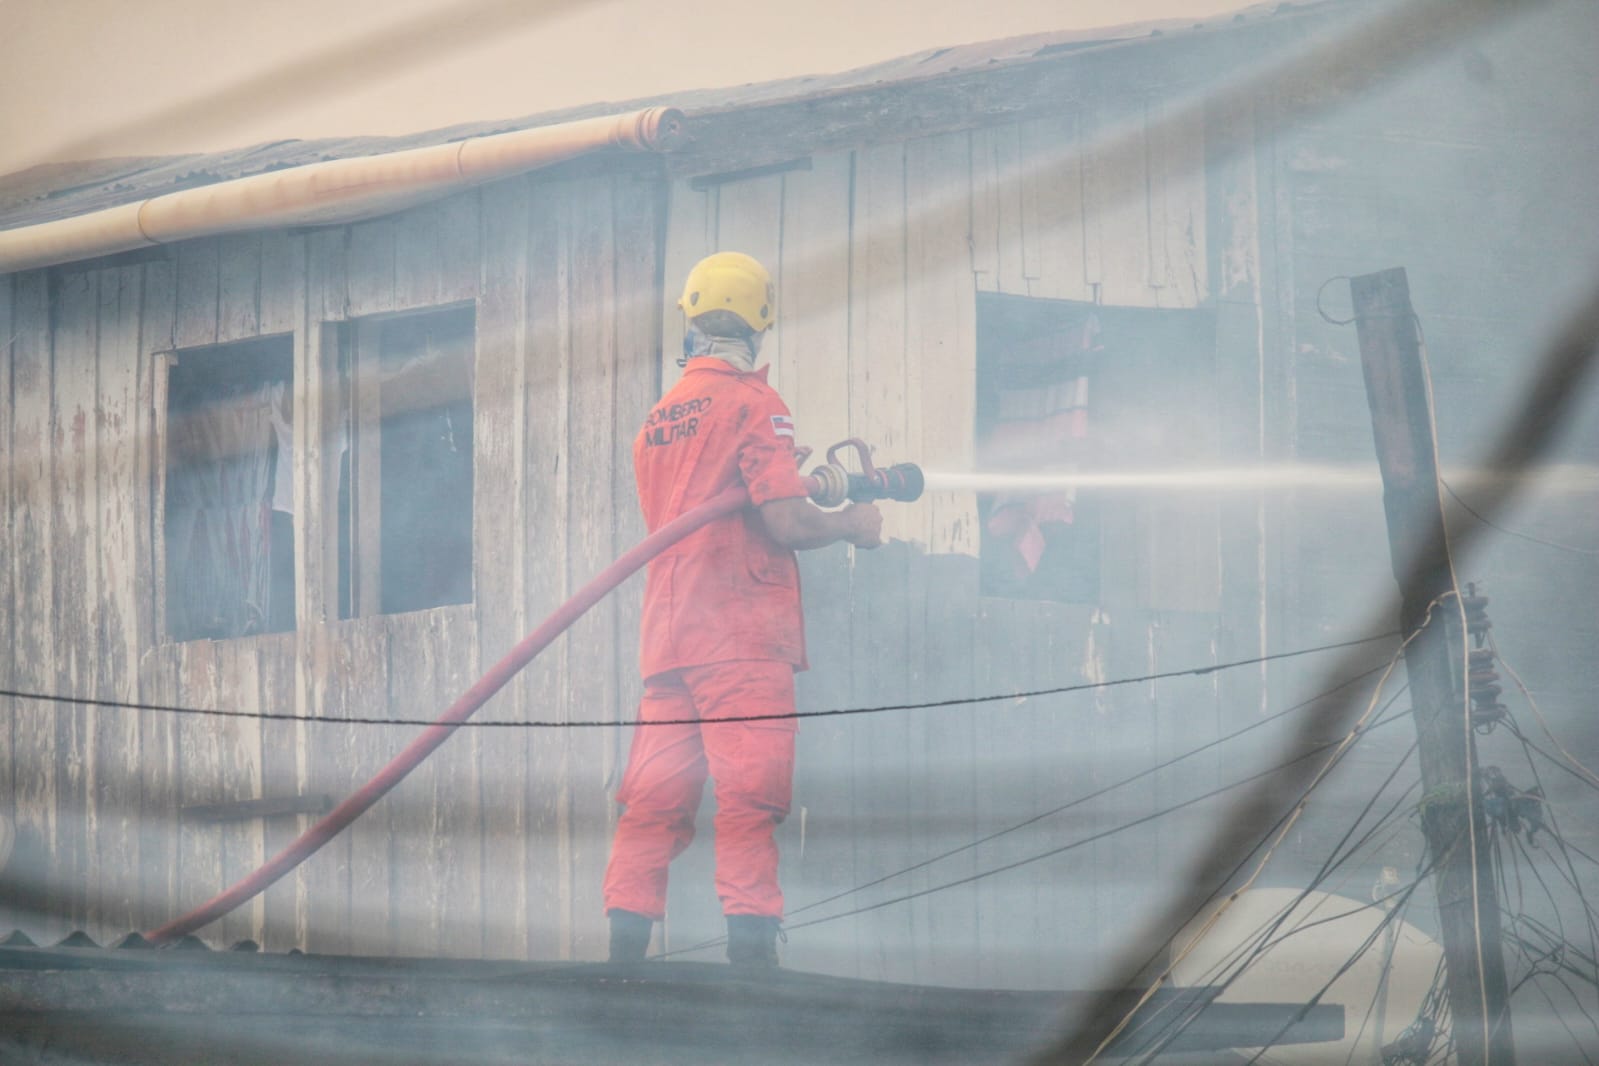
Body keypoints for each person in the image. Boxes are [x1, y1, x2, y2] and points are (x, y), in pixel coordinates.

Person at [601, 251, 883, 968]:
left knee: (653, 804)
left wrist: (786, 473)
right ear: (760, 322)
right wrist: (851, 523)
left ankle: (619, 966)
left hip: (669, 640)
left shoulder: (657, 419)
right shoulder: (756, 404)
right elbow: (784, 522)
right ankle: (753, 971)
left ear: (691, 319)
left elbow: (720, 497)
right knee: (749, 798)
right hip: (739, 636)